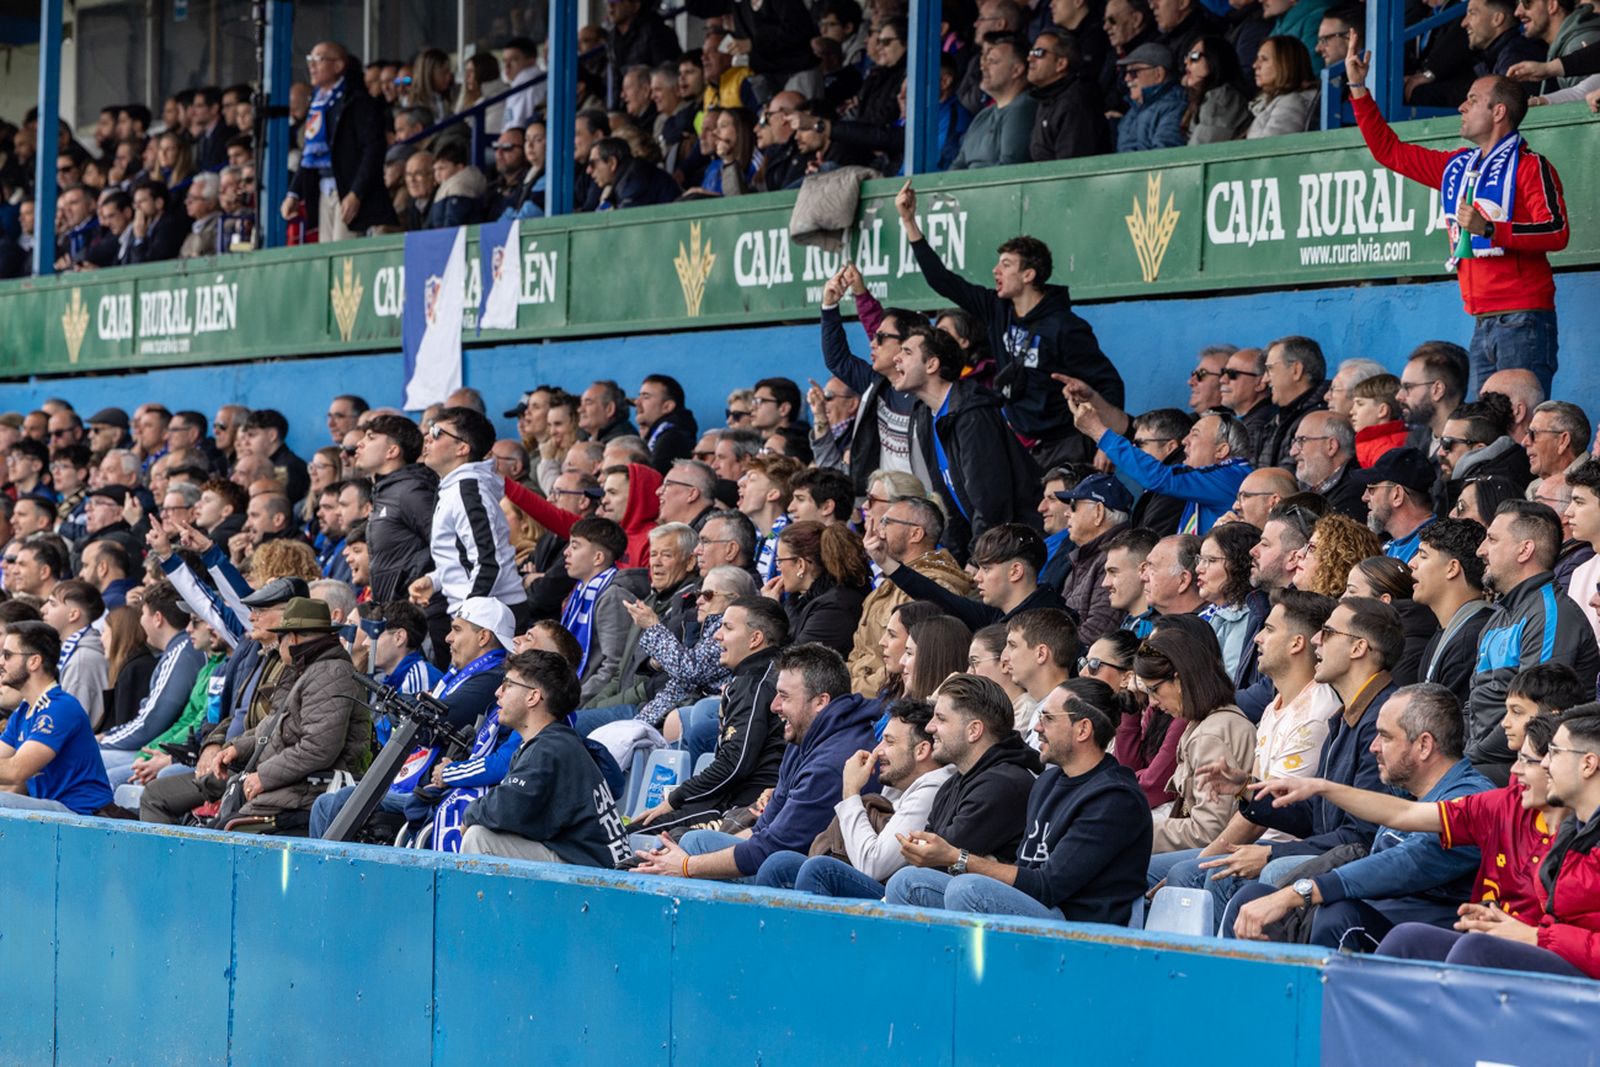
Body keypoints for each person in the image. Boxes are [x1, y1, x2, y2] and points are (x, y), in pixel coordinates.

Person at [1347, 43, 1568, 397]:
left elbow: (1556, 232)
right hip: (1481, 320)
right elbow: (1389, 151)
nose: (1461, 107)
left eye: (1472, 100)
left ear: (1498, 112)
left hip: (1523, 318)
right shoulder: (1457, 168)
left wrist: (1490, 229)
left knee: (1520, 420)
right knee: (1486, 422)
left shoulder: (1531, 166)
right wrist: (1359, 88)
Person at [1230, 683, 1493, 948]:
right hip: (1371, 919)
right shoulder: (1407, 792)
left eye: (1385, 737)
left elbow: (1405, 863)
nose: (1373, 747)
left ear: (1424, 745)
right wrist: (1252, 790)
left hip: (1416, 943)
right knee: (1252, 899)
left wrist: (1302, 892)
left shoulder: (1471, 800)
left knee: (1339, 918)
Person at [884, 678, 1152, 923]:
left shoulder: (1115, 799)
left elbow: (1048, 887)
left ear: (1082, 729)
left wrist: (959, 858)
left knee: (968, 889)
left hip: (1080, 930)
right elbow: (1026, 869)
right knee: (907, 882)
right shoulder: (1048, 782)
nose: (1037, 727)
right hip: (1038, 907)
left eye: (1048, 718)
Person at [896, 181, 1122, 470]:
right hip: (1018, 446)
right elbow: (942, 280)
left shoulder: (1065, 327)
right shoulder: (996, 309)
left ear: (1028, 274)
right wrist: (909, 221)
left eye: (1006, 264)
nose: (996, 271)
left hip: (1065, 445)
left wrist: (1108, 441)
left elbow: (1109, 384)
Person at [1372, 709, 1600, 979]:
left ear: (1588, 764)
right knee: (1408, 939)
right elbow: (1405, 814)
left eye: (1555, 752)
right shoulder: (1575, 829)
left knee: (1476, 950)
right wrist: (1510, 924)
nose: (1546, 764)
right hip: (1558, 950)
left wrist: (1537, 936)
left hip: (1584, 979)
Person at [634, 644, 877, 882]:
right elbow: (762, 828)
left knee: (696, 852)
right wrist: (686, 860)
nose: (774, 706)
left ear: (821, 702)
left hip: (801, 876)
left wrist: (687, 866)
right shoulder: (802, 740)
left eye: (784, 697)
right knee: (691, 841)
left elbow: (770, 849)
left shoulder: (832, 763)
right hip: (775, 854)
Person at [756, 698, 956, 899]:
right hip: (879, 879)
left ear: (921, 750)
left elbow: (872, 865)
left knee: (821, 871)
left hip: (896, 895)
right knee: (779, 864)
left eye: (889, 742)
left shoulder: (933, 788)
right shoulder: (902, 779)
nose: (877, 751)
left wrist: (851, 792)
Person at [1467, 500, 1600, 783]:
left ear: (1525, 550)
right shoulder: (1497, 618)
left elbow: (1537, 715)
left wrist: (1469, 758)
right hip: (1484, 758)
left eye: (1492, 539)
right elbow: (1475, 703)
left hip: (1526, 764)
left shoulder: (1551, 614)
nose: (1481, 550)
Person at [459, 650, 629, 867]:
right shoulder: (557, 742)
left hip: (596, 876)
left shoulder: (549, 748)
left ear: (533, 697)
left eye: (508, 685)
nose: (498, 692)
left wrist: (470, 813)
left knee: (479, 837)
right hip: (592, 865)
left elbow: (506, 807)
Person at [634, 595, 786, 831]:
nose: (717, 635)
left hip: (743, 807)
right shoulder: (764, 674)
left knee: (633, 834)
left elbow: (734, 765)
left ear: (755, 639)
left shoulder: (754, 683)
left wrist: (675, 799)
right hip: (739, 800)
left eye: (727, 627)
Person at [894, 323, 1043, 560]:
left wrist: (975, 559)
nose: (897, 358)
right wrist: (957, 558)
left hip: (1021, 547)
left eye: (907, 352)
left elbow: (990, 502)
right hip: (989, 547)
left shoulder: (972, 414)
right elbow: (946, 499)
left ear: (932, 365)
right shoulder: (925, 414)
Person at [1070, 396, 1252, 537]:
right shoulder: (1202, 485)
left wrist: (1098, 431)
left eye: (1195, 435)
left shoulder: (1233, 476)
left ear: (1221, 450)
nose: (1185, 441)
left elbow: (1160, 477)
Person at [408, 407, 526, 620]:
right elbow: (465, 558)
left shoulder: (467, 492)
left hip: (493, 614)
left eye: (437, 433)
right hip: (480, 610)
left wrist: (468, 616)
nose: (427, 437)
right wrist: (435, 580)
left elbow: (488, 562)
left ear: (462, 448)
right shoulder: (454, 488)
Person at [849, 495, 969, 695]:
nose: (879, 530)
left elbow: (913, 665)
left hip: (887, 696)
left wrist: (849, 689)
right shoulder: (889, 581)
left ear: (915, 534)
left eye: (887, 522)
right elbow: (859, 652)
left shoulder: (935, 587)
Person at [281, 41, 396, 240]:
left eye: (319, 59)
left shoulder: (357, 101)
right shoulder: (318, 103)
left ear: (338, 65)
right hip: (323, 190)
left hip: (347, 192)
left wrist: (356, 193)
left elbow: (373, 150)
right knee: (327, 253)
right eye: (310, 59)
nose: (312, 65)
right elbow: (309, 154)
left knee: (345, 253)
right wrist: (294, 193)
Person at [0, 622, 113, 815]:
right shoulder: (24, 711)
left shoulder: (60, 708)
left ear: (34, 662)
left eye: (7, 655)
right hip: (54, 812)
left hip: (82, 814)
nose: (1, 662)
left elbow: (15, 771)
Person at [875, 523, 1066, 633]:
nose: (977, 578)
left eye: (987, 569)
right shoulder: (996, 615)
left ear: (1015, 571)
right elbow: (937, 595)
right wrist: (884, 561)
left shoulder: (1051, 626)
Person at [98, 581, 207, 759]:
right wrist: (108, 735)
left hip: (163, 752)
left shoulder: (181, 652)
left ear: (157, 618)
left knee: (89, 760)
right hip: (164, 748)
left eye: (142, 613)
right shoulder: (178, 650)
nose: (140, 621)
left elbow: (149, 724)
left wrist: (102, 742)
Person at [1409, 518, 1492, 707]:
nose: (1412, 563)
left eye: (1423, 556)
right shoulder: (1448, 632)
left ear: (1452, 568)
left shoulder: (1470, 641)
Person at [765, 520, 870, 656]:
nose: (778, 568)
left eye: (780, 561)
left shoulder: (834, 609)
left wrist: (770, 613)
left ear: (801, 565)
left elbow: (792, 661)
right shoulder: (802, 599)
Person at [1055, 474, 1134, 644]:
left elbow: (1096, 634)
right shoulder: (1087, 556)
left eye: (1074, 506)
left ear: (1098, 512)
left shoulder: (1114, 559)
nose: (1067, 513)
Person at [949, 34, 1039, 170]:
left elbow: (1009, 169)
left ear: (1017, 70)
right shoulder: (983, 115)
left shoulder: (1023, 108)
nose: (983, 67)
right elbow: (958, 164)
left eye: (993, 61)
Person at [1027, 29, 1111, 161]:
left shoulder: (1074, 103)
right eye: (1031, 52)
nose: (1030, 58)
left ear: (1061, 64)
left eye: (1039, 52)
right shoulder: (1047, 98)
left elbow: (1072, 166)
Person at [1000, 609, 1080, 740]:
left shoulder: (1063, 716)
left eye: (1012, 646)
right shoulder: (1044, 709)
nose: (1004, 657)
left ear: (1041, 654)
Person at [41, 579, 107, 731]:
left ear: (73, 615)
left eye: (52, 604)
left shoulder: (82, 660)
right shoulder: (75, 652)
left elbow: (69, 724)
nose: (43, 609)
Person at [1256, 336, 1328, 471]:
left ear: (1296, 370)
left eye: (1270, 368)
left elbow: (1289, 477)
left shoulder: (1317, 419)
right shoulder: (1281, 417)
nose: (1265, 379)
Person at [1116, 43, 1186, 151]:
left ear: (1159, 74)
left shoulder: (1174, 107)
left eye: (1133, 72)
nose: (1127, 78)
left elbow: (1166, 154)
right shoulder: (1132, 111)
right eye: (1125, 72)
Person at [1182, 34, 1252, 143]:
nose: (1187, 62)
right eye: (1186, 57)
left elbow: (1202, 148)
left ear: (1214, 59)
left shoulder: (1222, 99)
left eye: (1194, 56)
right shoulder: (1207, 98)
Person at [1245, 35, 1318, 138]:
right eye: (1257, 59)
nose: (1255, 65)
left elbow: (1270, 145)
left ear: (1285, 63)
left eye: (1264, 59)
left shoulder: (1292, 102)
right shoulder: (1272, 100)